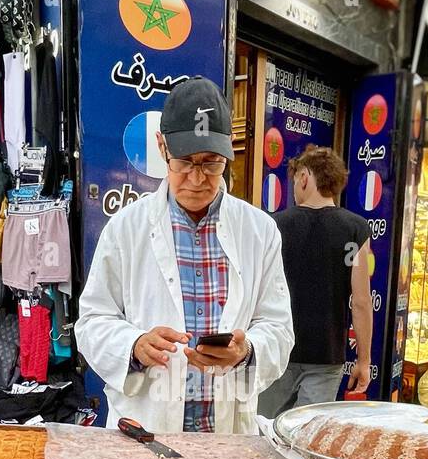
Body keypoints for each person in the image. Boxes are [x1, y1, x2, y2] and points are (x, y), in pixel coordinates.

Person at [75, 76, 293, 434]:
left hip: (227, 434)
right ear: (163, 148)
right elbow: (93, 320)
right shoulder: (126, 228)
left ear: (228, 155)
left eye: (211, 163)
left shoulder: (259, 231)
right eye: (184, 162)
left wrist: (247, 351)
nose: (197, 178)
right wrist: (134, 345)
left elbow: (279, 328)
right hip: (148, 428)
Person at [257, 144, 371, 419]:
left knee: (263, 431)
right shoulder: (355, 229)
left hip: (277, 350)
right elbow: (361, 301)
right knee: (307, 437)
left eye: (296, 180)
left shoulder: (274, 226)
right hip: (326, 355)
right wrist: (364, 361)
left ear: (304, 177)